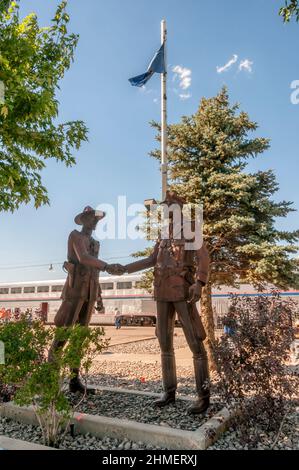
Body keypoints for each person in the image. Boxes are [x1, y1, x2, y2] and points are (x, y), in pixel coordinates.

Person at [124, 191, 210, 414]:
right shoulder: (163, 233)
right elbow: (151, 260)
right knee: (164, 342)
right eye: (165, 206)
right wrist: (124, 269)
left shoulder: (190, 226)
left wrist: (200, 282)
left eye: (170, 205)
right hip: (161, 292)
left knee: (195, 343)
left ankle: (203, 396)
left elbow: (203, 256)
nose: (166, 210)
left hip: (182, 291)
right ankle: (169, 392)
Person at [48, 206, 125, 394]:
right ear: (83, 220)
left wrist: (98, 296)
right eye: (92, 218)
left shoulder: (95, 243)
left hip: (89, 293)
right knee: (63, 334)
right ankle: (50, 382)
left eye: (97, 219)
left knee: (79, 338)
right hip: (75, 291)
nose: (95, 221)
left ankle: (74, 381)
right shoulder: (75, 236)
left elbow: (94, 271)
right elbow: (83, 258)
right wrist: (107, 266)